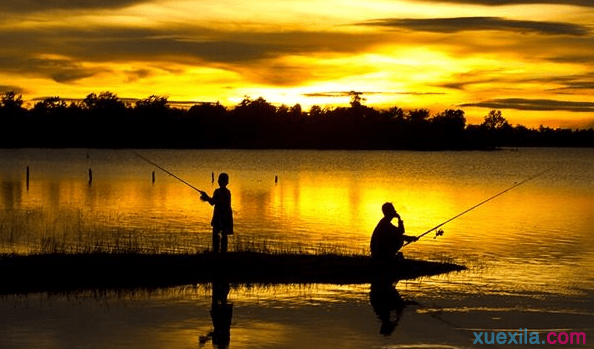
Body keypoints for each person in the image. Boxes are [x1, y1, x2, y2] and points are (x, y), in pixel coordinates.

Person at [200, 173, 233, 253]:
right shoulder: (227, 192)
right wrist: (206, 197)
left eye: (221, 181)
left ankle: (217, 251)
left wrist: (206, 196)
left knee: (217, 234)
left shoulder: (219, 192)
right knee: (223, 235)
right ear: (227, 182)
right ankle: (221, 252)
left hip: (221, 216)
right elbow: (213, 202)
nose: (221, 182)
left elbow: (213, 202)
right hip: (225, 216)